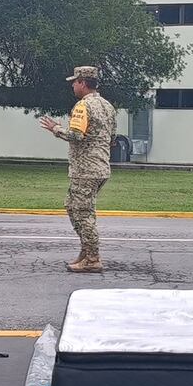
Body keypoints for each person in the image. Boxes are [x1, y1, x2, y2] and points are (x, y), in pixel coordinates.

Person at [39, 66, 117, 273]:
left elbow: (76, 136)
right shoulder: (107, 106)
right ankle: (86, 250)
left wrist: (55, 129)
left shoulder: (82, 106)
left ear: (83, 82)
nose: (72, 85)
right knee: (72, 206)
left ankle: (92, 258)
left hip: (85, 170)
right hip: (100, 167)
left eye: (74, 82)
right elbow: (112, 139)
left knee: (82, 212)